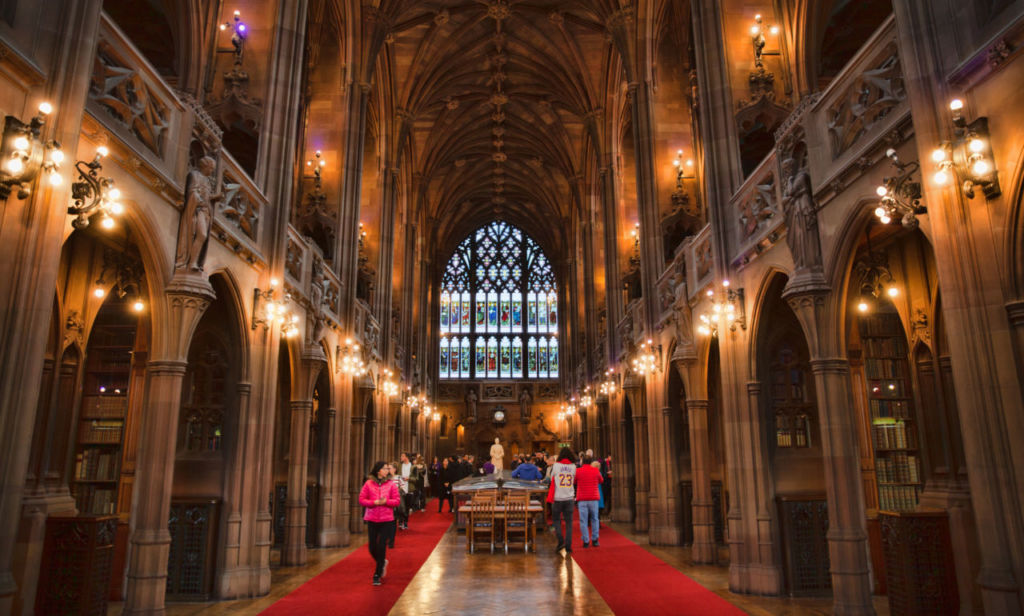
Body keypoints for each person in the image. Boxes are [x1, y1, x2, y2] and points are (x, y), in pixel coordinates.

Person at [359, 461, 400, 586]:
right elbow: (361, 500)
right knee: (372, 546)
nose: (387, 470)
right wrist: (374, 503)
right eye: (385, 468)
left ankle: (377, 573)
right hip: (372, 518)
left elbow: (397, 501)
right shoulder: (369, 484)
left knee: (382, 545)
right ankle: (381, 562)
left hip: (386, 519)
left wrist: (386, 501)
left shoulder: (391, 484)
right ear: (378, 471)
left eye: (388, 468)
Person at [548, 447, 577, 555]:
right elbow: (573, 480)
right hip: (569, 498)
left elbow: (552, 478)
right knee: (569, 523)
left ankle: (560, 541)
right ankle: (568, 547)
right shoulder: (573, 466)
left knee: (556, 520)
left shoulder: (556, 465)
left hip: (558, 498)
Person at [576, 457, 604, 548]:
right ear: (591, 462)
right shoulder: (595, 470)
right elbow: (601, 480)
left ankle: (586, 541)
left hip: (582, 499)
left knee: (583, 521)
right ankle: (595, 540)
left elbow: (574, 482)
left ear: (582, 462)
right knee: (595, 519)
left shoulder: (578, 471)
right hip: (593, 498)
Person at [398, 454, 413, 529]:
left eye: (402, 456)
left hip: (409, 489)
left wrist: (409, 479)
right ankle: (400, 522)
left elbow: (416, 478)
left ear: (406, 457)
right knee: (401, 507)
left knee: (407, 507)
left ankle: (406, 522)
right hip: (401, 489)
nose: (401, 457)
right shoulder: (400, 466)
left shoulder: (413, 466)